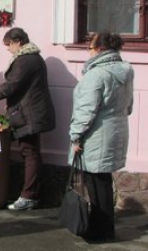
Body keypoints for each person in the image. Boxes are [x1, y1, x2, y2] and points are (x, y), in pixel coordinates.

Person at [0, 27, 55, 210]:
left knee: (29, 152)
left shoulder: (26, 60)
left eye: (9, 45)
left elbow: (11, 86)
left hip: (30, 114)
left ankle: (29, 196)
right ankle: (29, 195)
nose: (8, 49)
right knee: (30, 152)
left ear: (18, 42)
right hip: (29, 112)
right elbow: (21, 89)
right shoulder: (32, 58)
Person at [69, 32, 134, 242]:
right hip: (116, 130)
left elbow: (85, 111)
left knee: (96, 183)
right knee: (102, 181)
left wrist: (75, 136)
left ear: (99, 49)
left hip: (96, 135)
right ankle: (103, 228)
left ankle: (100, 231)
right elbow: (129, 106)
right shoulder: (125, 71)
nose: (88, 51)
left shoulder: (96, 75)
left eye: (90, 47)